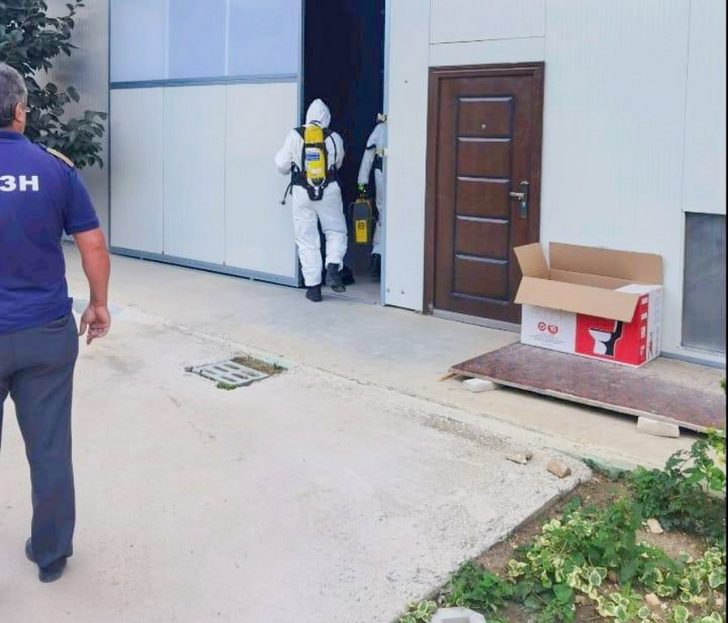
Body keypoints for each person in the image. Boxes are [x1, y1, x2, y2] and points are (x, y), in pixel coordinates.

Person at [0, 62, 111, 583]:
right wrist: (99, 303)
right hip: (44, 333)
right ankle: (50, 555)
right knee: (48, 450)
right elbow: (93, 245)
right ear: (21, 110)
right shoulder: (55, 169)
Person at [275, 99, 347, 302]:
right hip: (329, 191)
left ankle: (313, 288)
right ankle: (333, 265)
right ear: (327, 118)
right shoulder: (335, 137)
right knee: (335, 231)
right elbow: (338, 164)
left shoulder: (294, 135)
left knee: (306, 239)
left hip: (302, 193)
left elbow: (281, 165)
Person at [357, 121, 385, 278]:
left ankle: (377, 256)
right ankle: (378, 257)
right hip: (391, 173)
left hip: (381, 172)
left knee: (383, 214)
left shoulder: (380, 128)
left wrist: (362, 182)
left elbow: (368, 156)